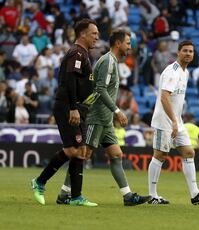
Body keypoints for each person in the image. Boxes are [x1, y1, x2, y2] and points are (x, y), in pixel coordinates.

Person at [58, 29, 151, 206]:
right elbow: (100, 90)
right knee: (82, 155)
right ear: (118, 43)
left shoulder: (112, 61)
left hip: (105, 120)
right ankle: (64, 193)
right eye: (128, 43)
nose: (130, 46)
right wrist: (117, 111)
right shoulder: (108, 61)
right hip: (96, 117)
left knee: (116, 154)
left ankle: (128, 196)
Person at [31, 19, 100, 207]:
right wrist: (73, 107)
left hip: (79, 108)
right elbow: (69, 81)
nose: (97, 37)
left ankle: (76, 196)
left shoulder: (85, 55)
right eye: (94, 33)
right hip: (68, 106)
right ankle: (40, 181)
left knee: (80, 151)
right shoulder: (76, 53)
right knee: (72, 150)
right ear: (82, 34)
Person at [147, 40, 199, 205]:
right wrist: (174, 122)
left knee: (189, 152)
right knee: (160, 155)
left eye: (191, 51)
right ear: (178, 52)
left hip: (177, 121)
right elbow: (164, 97)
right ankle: (152, 195)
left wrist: (177, 122)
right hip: (165, 121)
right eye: (185, 51)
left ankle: (195, 194)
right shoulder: (172, 71)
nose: (188, 54)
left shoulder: (186, 72)